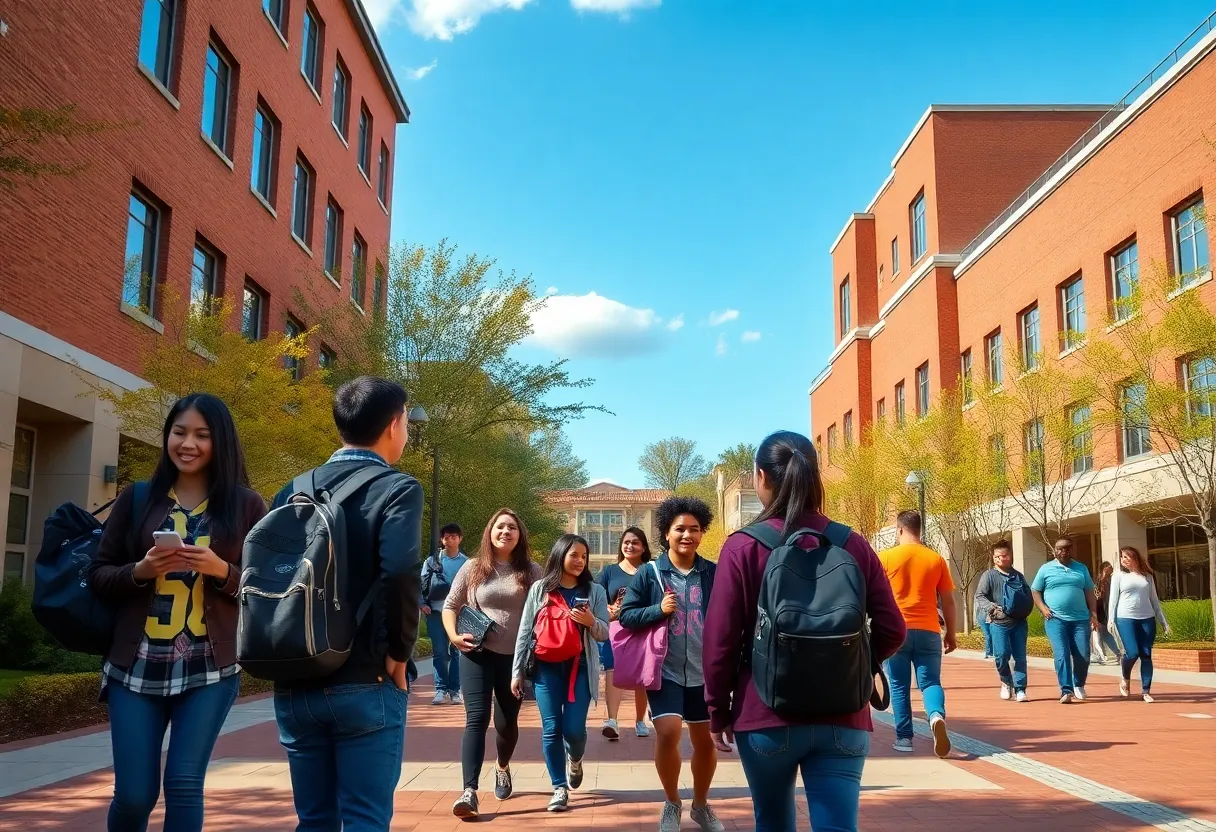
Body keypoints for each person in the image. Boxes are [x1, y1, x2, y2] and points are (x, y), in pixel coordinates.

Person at [703, 431, 905, 832]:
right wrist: (854, 664)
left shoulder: (742, 548)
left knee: (773, 821)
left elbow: (719, 642)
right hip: (843, 715)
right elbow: (893, 629)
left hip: (764, 712)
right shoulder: (852, 544)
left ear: (761, 476)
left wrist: (717, 711)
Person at [89, 394, 267, 832]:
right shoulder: (138, 499)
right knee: (134, 795)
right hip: (136, 666)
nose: (187, 443)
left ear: (220, 442)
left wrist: (223, 572)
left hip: (209, 668)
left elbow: (268, 589)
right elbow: (97, 574)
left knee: (184, 783)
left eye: (201, 435)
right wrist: (140, 570)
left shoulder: (246, 506)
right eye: (179, 432)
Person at [269, 376, 424, 831]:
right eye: (407, 423)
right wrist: (399, 651)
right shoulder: (397, 488)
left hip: (295, 678)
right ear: (395, 424)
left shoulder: (293, 488)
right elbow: (399, 571)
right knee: (364, 820)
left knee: (314, 820)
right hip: (366, 676)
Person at [619, 496, 725, 832]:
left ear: (701, 534)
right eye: (680, 529)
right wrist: (658, 610)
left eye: (694, 529)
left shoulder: (713, 572)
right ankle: (672, 801)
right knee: (667, 733)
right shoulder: (650, 574)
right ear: (666, 533)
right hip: (664, 670)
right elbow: (626, 616)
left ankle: (701, 804)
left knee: (705, 740)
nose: (687, 535)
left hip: (704, 672)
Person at [445, 509, 542, 819]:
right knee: (476, 717)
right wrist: (454, 635)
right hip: (475, 652)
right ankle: (469, 792)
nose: (505, 531)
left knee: (506, 723)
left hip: (514, 659)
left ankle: (502, 766)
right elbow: (451, 605)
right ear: (490, 532)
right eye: (500, 526)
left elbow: (546, 610)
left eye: (512, 527)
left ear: (519, 535)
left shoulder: (531, 571)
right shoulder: (473, 568)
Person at [511, 534, 610, 812]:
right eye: (574, 555)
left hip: (579, 668)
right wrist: (516, 671)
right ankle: (558, 787)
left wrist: (592, 622)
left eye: (584, 556)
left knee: (574, 730)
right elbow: (525, 631)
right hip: (546, 669)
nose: (580, 561)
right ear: (560, 555)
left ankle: (575, 759)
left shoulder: (594, 591)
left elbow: (603, 634)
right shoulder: (540, 588)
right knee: (552, 729)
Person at [879, 510, 957, 757]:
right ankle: (935, 716)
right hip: (928, 630)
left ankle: (904, 739)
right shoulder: (936, 560)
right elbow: (948, 601)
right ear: (919, 529)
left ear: (899, 529)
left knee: (899, 685)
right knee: (931, 682)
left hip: (896, 631)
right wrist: (951, 634)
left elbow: (875, 596)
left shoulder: (886, 558)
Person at [595, 526, 653, 740]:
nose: (630, 546)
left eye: (635, 542)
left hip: (642, 628)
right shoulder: (610, 571)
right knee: (613, 670)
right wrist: (606, 609)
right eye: (626, 542)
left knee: (642, 675)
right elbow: (596, 596)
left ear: (643, 547)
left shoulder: (650, 570)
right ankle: (612, 720)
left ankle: (640, 721)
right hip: (616, 630)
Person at [1030, 536, 1100, 704]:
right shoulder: (1046, 568)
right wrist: (1043, 608)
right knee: (1061, 654)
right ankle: (1066, 690)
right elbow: (1035, 590)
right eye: (1059, 548)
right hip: (1055, 619)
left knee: (1083, 655)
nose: (1063, 551)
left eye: (1067, 548)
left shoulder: (1081, 568)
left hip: (1080, 619)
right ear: (1054, 550)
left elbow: (1090, 592)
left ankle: (1079, 684)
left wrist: (1094, 614)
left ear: (1071, 550)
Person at [1108, 546, 1171, 703]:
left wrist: (1164, 622)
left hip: (1147, 618)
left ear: (1135, 557)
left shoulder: (1147, 577)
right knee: (1132, 652)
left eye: (1127, 556)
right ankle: (1125, 677)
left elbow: (1154, 601)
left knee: (1146, 654)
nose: (1124, 560)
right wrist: (1110, 619)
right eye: (1122, 557)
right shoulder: (1118, 576)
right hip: (1125, 618)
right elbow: (1113, 600)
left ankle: (1146, 691)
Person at [974, 540, 1030, 702]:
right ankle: (1006, 680)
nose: (1000, 559)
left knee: (1020, 656)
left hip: (1019, 621)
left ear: (1010, 556)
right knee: (1001, 655)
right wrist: (992, 608)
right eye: (997, 556)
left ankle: (1020, 689)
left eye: (1004, 556)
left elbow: (1027, 595)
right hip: (999, 623)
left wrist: (1026, 609)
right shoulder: (989, 575)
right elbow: (980, 596)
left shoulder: (1018, 576)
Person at [422, 523, 469, 705]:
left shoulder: (466, 563)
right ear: (442, 540)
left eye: (454, 536)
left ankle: (455, 690)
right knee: (439, 652)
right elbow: (422, 584)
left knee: (456, 651)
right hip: (435, 612)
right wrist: (422, 604)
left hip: (459, 613)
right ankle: (440, 689)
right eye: (447, 537)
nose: (450, 540)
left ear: (460, 539)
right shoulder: (432, 561)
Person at [1091, 561, 1120, 665]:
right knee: (1100, 632)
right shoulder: (1099, 579)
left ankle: (1115, 654)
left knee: (1106, 632)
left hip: (1108, 608)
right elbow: (1095, 593)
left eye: (1109, 567)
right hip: (1100, 609)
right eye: (1106, 567)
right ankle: (1101, 655)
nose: (1108, 569)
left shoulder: (1113, 580)